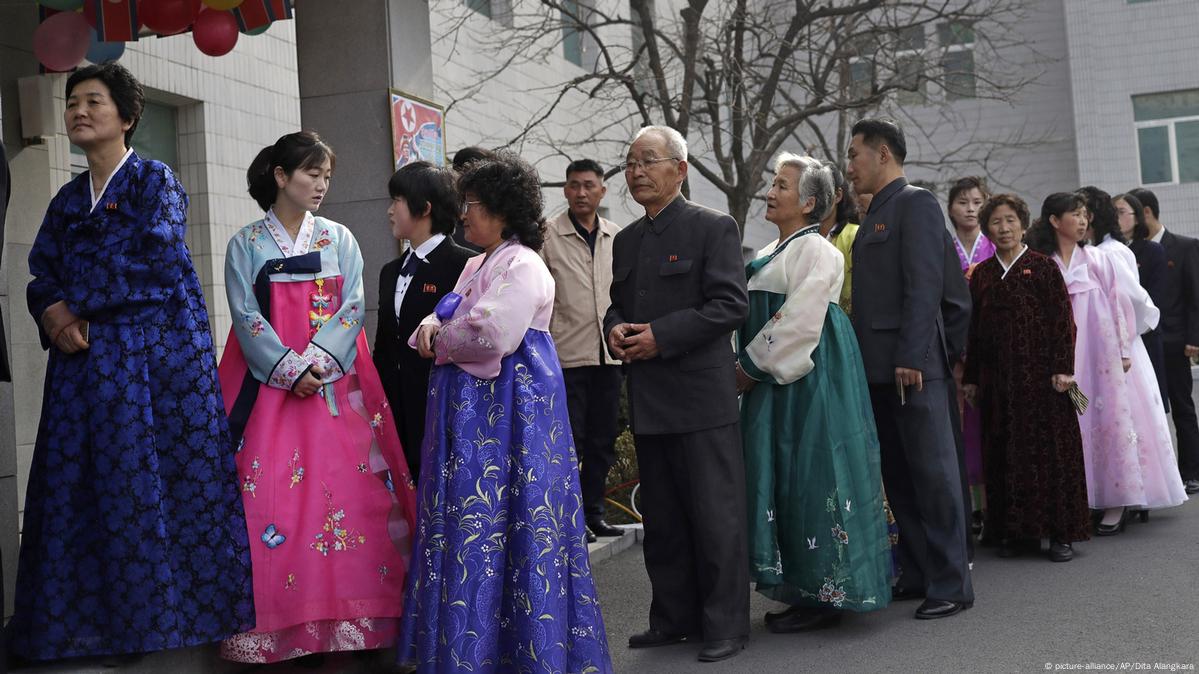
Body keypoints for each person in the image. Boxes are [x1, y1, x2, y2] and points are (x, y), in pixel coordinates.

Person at [9, 62, 253, 662]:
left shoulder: (154, 181)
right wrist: (55, 314)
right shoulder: (69, 199)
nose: (78, 111)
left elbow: (159, 262)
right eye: (72, 103)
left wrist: (77, 305)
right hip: (84, 366)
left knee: (145, 486)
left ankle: (162, 626)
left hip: (152, 367)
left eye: (93, 101)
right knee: (78, 488)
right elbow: (42, 272)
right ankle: (81, 627)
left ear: (127, 115)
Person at [398, 151, 612, 673]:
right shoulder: (478, 263)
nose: (464, 214)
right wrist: (434, 326)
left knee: (514, 527)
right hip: (481, 421)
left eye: (471, 204)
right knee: (478, 529)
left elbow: (493, 334)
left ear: (500, 209)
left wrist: (437, 337)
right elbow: (446, 314)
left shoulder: (524, 264)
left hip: (511, 421)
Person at [217, 131, 416, 664]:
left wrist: (319, 367)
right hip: (268, 390)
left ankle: (352, 618)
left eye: (326, 176)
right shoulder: (245, 244)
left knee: (347, 500)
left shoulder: (339, 239)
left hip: (333, 388)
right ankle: (275, 625)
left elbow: (352, 308)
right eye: (311, 174)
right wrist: (287, 368)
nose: (322, 186)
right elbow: (245, 315)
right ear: (281, 177)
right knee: (271, 501)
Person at [604, 126, 750, 661]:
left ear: (680, 169)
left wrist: (660, 336)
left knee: (715, 518)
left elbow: (731, 306)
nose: (636, 172)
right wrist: (615, 329)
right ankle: (673, 617)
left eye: (648, 161)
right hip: (650, 398)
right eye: (630, 163)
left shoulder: (714, 227)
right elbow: (617, 305)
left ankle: (726, 625)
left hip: (699, 398)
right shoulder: (627, 240)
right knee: (662, 519)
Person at [738, 153, 891, 633]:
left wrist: (748, 366)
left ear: (808, 202)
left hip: (809, 375)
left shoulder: (818, 250)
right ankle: (805, 586)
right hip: (781, 374)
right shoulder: (779, 248)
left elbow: (801, 319)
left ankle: (827, 591)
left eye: (781, 185)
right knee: (787, 473)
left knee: (814, 472)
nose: (770, 192)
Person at [846, 118, 973, 620]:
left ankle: (951, 583)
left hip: (910, 369)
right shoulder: (875, 211)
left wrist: (915, 356)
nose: (849, 166)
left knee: (934, 476)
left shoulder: (915, 203)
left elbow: (927, 287)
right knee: (899, 477)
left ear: (882, 155)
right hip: (878, 369)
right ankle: (919, 571)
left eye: (854, 154)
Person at [1025, 193, 1165, 534]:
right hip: (1063, 350)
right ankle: (1080, 499)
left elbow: (1117, 304)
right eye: (1075, 214)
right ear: (1055, 221)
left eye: (1085, 214)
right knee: (1071, 422)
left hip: (1099, 349)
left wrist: (1122, 350)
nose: (1083, 220)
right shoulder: (1043, 262)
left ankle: (1115, 501)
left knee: (1106, 419)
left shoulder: (1098, 260)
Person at [961, 194, 1090, 561]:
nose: (1004, 228)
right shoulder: (982, 275)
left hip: (1044, 380)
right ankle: (1018, 532)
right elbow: (974, 332)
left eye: (1010, 220)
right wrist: (970, 378)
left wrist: (1064, 369)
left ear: (1022, 223)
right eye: (996, 222)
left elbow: (1064, 321)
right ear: (988, 229)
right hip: (998, 382)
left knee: (1051, 454)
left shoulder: (1043, 267)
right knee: (1005, 453)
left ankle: (1061, 533)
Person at [1082, 186, 1187, 526]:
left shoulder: (1112, 252)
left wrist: (1127, 337)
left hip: (1119, 346)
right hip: (1091, 347)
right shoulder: (1088, 251)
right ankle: (1104, 491)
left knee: (1123, 419)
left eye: (1083, 212)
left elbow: (1135, 300)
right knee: (1098, 418)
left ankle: (1126, 493)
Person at [373, 161, 476, 480]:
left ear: (425, 207)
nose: (390, 211)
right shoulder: (390, 271)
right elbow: (384, 343)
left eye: (397, 201)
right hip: (396, 409)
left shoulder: (465, 264)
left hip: (443, 405)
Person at [540, 158, 624, 541]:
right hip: (566, 355)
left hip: (609, 355)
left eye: (589, 185)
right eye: (574, 185)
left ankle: (594, 511)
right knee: (569, 441)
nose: (581, 193)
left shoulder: (616, 235)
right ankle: (570, 518)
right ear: (565, 190)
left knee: (602, 440)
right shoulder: (547, 236)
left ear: (602, 190)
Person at [1128, 187, 1199, 496]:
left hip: (1174, 341)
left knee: (1182, 407)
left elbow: (1195, 297)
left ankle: (1192, 471)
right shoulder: (1128, 251)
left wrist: (1194, 339)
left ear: (1145, 213)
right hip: (1140, 344)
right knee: (1148, 410)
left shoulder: (1184, 246)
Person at [946, 177, 993, 528]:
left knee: (988, 423)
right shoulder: (944, 246)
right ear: (950, 208)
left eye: (977, 201)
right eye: (963, 202)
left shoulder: (993, 245)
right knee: (961, 425)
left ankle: (992, 502)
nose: (971, 209)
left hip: (987, 342)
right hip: (955, 343)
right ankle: (969, 506)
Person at [1114, 192, 1169, 407]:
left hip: (1144, 334)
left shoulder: (1152, 251)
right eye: (1113, 213)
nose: (1116, 218)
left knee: (1150, 404)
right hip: (1116, 340)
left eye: (1121, 212)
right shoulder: (1101, 251)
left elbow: (1156, 297)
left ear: (1137, 217)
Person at [818, 163, 859, 314]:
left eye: (820, 191)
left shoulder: (854, 236)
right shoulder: (802, 238)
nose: (814, 199)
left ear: (838, 195)